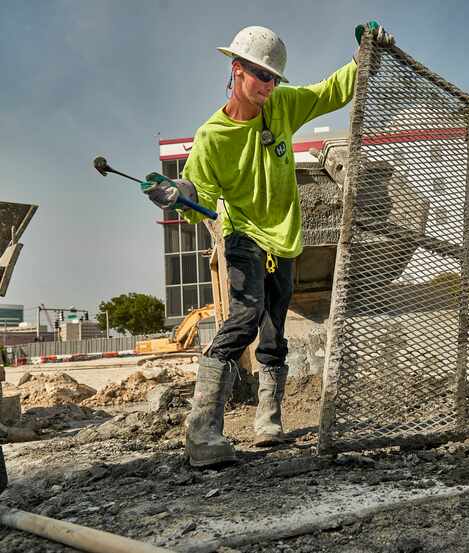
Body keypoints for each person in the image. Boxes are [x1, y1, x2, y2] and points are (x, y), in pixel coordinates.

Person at [143, 22, 394, 467]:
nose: (269, 85)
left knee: (274, 330)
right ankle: (202, 433)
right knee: (243, 317)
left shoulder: (281, 108)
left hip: (285, 239)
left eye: (274, 77)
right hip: (243, 235)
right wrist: (176, 193)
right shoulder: (212, 137)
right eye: (261, 75)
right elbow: (196, 195)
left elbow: (330, 92)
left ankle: (268, 420)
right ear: (236, 70)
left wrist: (362, 58)